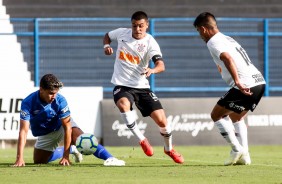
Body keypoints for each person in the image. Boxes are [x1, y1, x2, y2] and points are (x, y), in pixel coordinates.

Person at [103, 11, 184, 164]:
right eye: (134, 26)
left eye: (141, 26)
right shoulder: (122, 33)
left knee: (163, 123)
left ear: (146, 25)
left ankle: (169, 149)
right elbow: (107, 35)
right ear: (131, 25)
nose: (137, 29)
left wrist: (152, 70)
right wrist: (107, 45)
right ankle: (142, 139)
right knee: (123, 104)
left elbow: (161, 65)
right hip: (122, 85)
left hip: (142, 87)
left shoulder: (150, 42)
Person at [193, 12, 266, 166]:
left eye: (199, 31)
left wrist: (237, 81)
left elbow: (227, 58)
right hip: (259, 82)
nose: (200, 35)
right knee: (236, 117)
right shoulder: (227, 38)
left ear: (204, 29)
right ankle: (245, 155)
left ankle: (236, 149)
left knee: (216, 115)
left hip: (245, 83)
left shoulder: (213, 41)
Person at [13, 74, 125, 167]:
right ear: (41, 89)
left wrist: (65, 157)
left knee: (82, 139)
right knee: (39, 161)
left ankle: (110, 158)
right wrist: (20, 158)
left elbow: (67, 127)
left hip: (61, 126)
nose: (54, 96)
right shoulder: (28, 102)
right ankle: (71, 149)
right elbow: (23, 131)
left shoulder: (60, 100)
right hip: (45, 133)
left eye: (56, 93)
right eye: (51, 93)